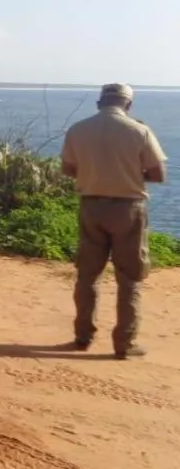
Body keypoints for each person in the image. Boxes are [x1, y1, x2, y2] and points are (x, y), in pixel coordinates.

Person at [59, 83, 167, 359]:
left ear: (99, 103)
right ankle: (125, 344)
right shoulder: (139, 131)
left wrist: (96, 172)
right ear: (128, 105)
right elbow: (158, 174)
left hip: (91, 206)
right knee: (129, 277)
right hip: (128, 209)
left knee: (87, 275)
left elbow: (68, 168)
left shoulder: (78, 129)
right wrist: (128, 173)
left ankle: (83, 335)